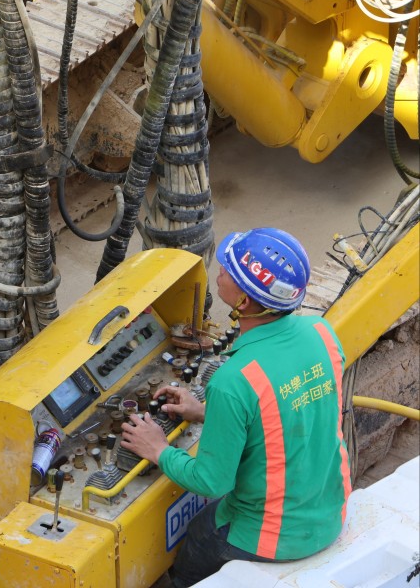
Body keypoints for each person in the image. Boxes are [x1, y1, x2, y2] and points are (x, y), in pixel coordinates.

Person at [121, 228, 352, 587]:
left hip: (274, 537)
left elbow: (211, 480)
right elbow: (283, 411)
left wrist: (157, 449)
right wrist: (203, 412)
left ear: (243, 303)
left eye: (227, 271)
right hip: (330, 510)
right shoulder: (322, 333)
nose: (219, 273)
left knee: (199, 535)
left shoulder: (233, 382)